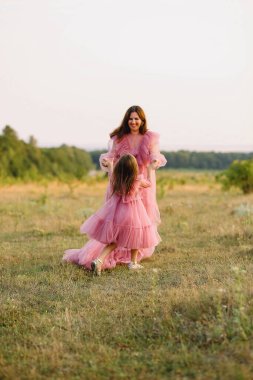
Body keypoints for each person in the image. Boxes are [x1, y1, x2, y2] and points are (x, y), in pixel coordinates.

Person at [63, 105, 166, 270]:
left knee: (141, 221)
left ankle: (132, 255)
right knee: (123, 220)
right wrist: (107, 162)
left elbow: (155, 156)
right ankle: (123, 256)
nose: (133, 122)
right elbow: (110, 156)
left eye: (136, 119)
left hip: (141, 182)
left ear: (142, 120)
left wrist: (154, 163)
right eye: (131, 119)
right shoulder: (119, 138)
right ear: (127, 120)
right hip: (123, 180)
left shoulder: (150, 138)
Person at [80, 154, 161, 275]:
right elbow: (149, 183)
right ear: (134, 168)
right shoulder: (137, 180)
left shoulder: (116, 180)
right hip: (135, 214)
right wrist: (150, 168)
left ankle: (99, 260)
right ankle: (133, 263)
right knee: (137, 236)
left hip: (119, 214)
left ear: (120, 168)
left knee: (115, 241)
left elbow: (111, 176)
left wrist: (111, 165)